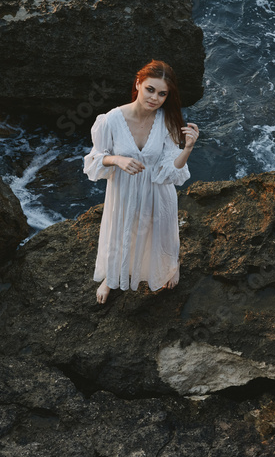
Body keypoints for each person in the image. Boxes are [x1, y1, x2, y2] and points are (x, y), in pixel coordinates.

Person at [83, 60, 200, 304]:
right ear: (138, 83)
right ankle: (112, 277)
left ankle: (170, 266)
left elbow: (171, 169)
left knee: (160, 234)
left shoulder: (167, 120)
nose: (155, 98)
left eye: (162, 94)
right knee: (120, 233)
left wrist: (187, 148)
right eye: (150, 89)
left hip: (158, 190)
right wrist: (117, 160)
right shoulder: (110, 121)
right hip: (124, 190)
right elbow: (94, 160)